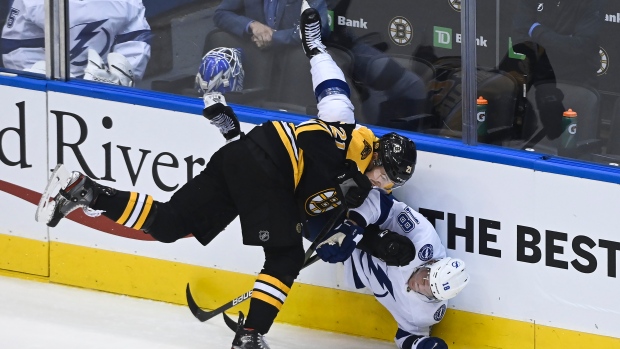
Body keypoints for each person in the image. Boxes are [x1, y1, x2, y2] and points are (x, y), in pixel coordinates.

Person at [35, 4, 417, 348]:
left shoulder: (360, 194)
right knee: (284, 260)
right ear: (379, 156)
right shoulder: (350, 134)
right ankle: (250, 338)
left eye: (392, 183)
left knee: (169, 224)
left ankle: (85, 192)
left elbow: (326, 230)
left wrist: (373, 241)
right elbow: (323, 103)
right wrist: (315, 48)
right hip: (270, 162)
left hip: (242, 157)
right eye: (387, 175)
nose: (386, 184)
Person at [316, 186, 471, 349]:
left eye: (428, 291)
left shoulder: (427, 313)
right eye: (427, 276)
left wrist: (423, 345)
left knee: (303, 222)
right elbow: (378, 201)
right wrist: (351, 226)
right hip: (353, 217)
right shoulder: (423, 238)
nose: (420, 284)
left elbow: (407, 336)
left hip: (350, 263)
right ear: (432, 263)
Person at [499, 0, 606, 142]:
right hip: (539, 83)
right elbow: (520, 38)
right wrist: (562, 41)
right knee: (532, 145)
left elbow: (578, 48)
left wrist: (536, 30)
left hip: (579, 87)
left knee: (574, 148)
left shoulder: (591, 2)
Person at [1, 0, 151, 86]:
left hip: (104, 88)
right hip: (50, 92)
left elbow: (136, 40)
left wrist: (120, 77)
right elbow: (16, 45)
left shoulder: (127, 2)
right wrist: (38, 77)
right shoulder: (32, 2)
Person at [213, 0, 329, 49]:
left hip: (291, 67)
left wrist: (274, 38)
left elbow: (316, 28)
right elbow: (221, 13)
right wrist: (252, 25)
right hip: (255, 64)